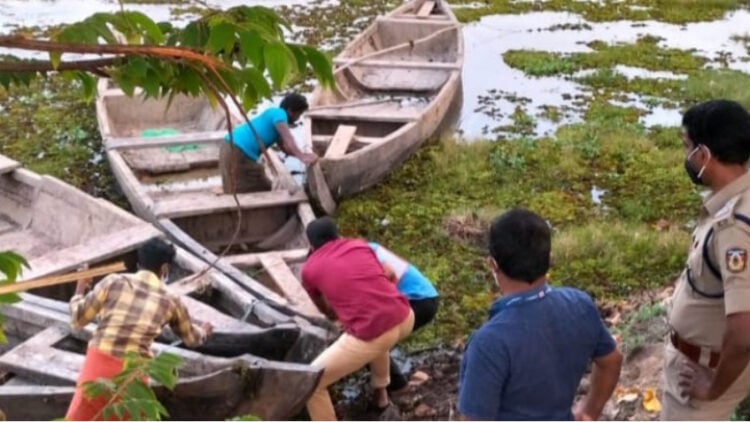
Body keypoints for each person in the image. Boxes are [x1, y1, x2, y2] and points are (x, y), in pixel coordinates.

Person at [457, 208, 622, 421]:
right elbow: (612, 360)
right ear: (549, 259)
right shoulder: (579, 304)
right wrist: (589, 411)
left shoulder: (489, 343)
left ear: (493, 265)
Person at [662, 99, 750, 420]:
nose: (686, 157)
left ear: (705, 154)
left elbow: (743, 332)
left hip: (704, 373)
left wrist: (712, 388)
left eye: (688, 147)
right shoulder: (740, 198)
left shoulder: (735, 230)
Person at [65, 238, 213, 420]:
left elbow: (77, 319)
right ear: (164, 269)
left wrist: (80, 288)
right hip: (132, 376)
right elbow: (192, 339)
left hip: (97, 367)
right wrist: (204, 331)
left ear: (139, 262)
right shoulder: (171, 300)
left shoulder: (113, 281)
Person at [301, 217, 415, 421]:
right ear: (338, 234)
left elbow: (323, 307)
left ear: (310, 245)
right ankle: (381, 398)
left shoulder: (309, 269)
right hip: (405, 316)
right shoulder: (360, 246)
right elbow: (378, 279)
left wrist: (337, 318)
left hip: (376, 332)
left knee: (312, 380)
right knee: (380, 339)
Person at [367, 241, 439, 393]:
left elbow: (390, 276)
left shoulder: (366, 254)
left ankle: (397, 387)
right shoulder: (369, 247)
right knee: (374, 339)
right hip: (426, 296)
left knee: (371, 341)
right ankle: (390, 385)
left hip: (419, 300)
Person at [220, 93, 319, 193]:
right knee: (258, 187)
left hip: (229, 145)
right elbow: (288, 138)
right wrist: (302, 156)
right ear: (290, 111)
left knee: (237, 187)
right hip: (239, 150)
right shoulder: (280, 114)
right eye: (299, 114)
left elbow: (286, 148)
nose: (298, 118)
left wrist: (305, 155)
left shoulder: (274, 117)